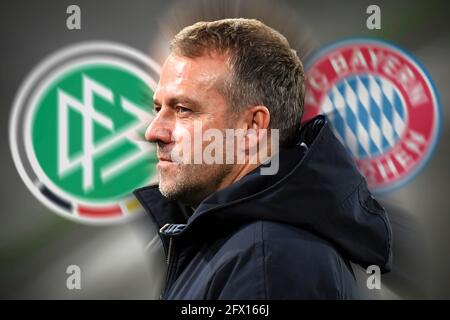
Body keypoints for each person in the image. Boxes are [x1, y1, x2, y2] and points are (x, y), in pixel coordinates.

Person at [134, 18, 392, 299]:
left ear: (253, 127)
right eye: (158, 108)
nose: (153, 131)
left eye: (183, 109)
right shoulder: (248, 247)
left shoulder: (269, 258)